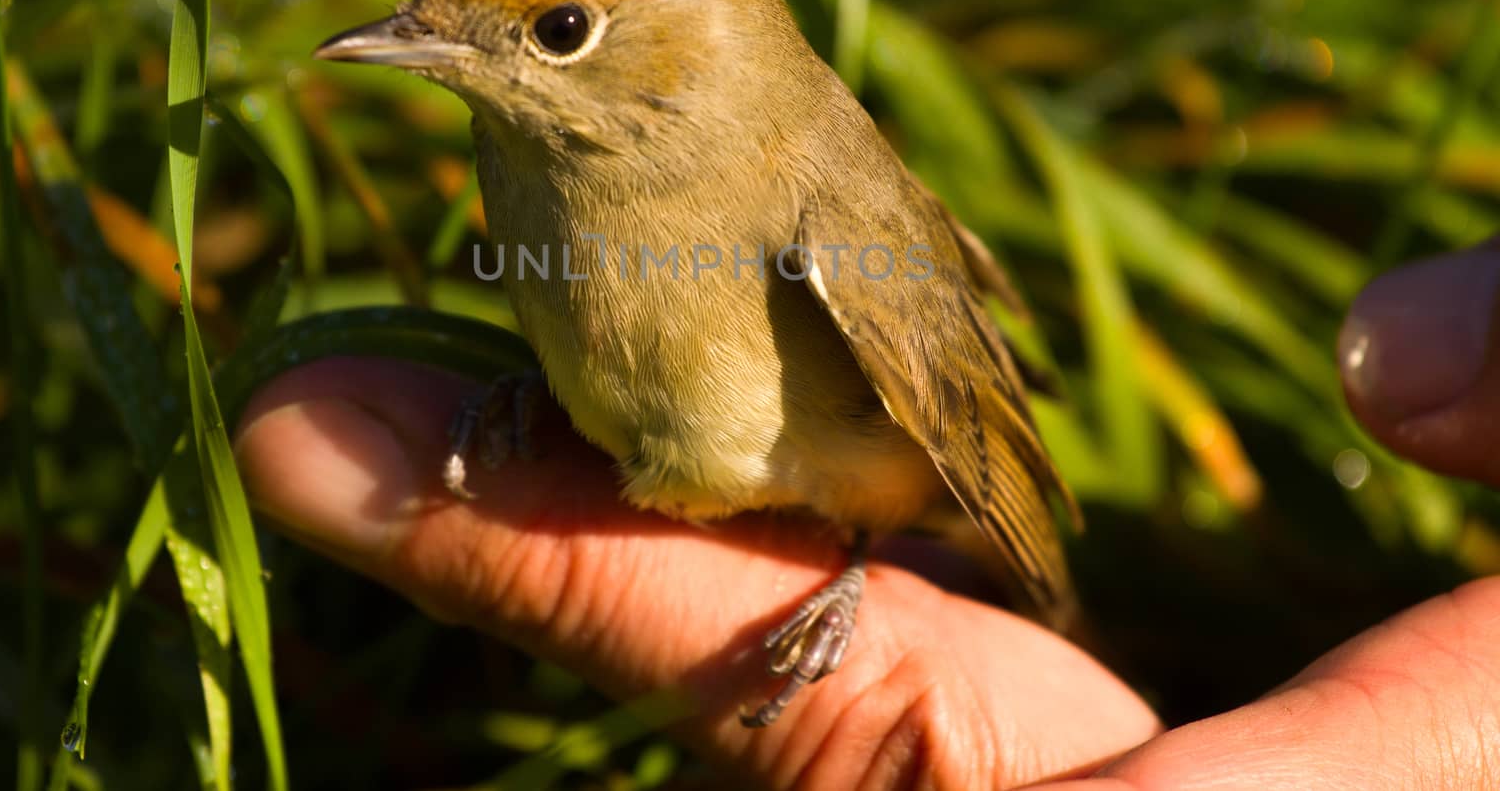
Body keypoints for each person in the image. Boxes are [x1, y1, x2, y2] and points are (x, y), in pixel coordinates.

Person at [235, 241, 1500, 788]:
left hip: (885, 512)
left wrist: (1031, 589)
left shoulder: (825, 244)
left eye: (558, 31)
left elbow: (972, 436)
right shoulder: (534, 179)